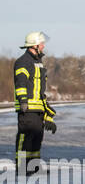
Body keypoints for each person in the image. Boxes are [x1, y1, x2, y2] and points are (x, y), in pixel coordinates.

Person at [13, 32, 56, 175]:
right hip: (27, 108)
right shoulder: (23, 61)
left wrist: (47, 110)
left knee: (37, 139)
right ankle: (22, 168)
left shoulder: (37, 62)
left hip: (37, 108)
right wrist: (23, 101)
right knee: (25, 137)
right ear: (35, 45)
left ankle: (34, 167)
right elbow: (21, 83)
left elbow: (39, 89)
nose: (44, 46)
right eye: (42, 44)